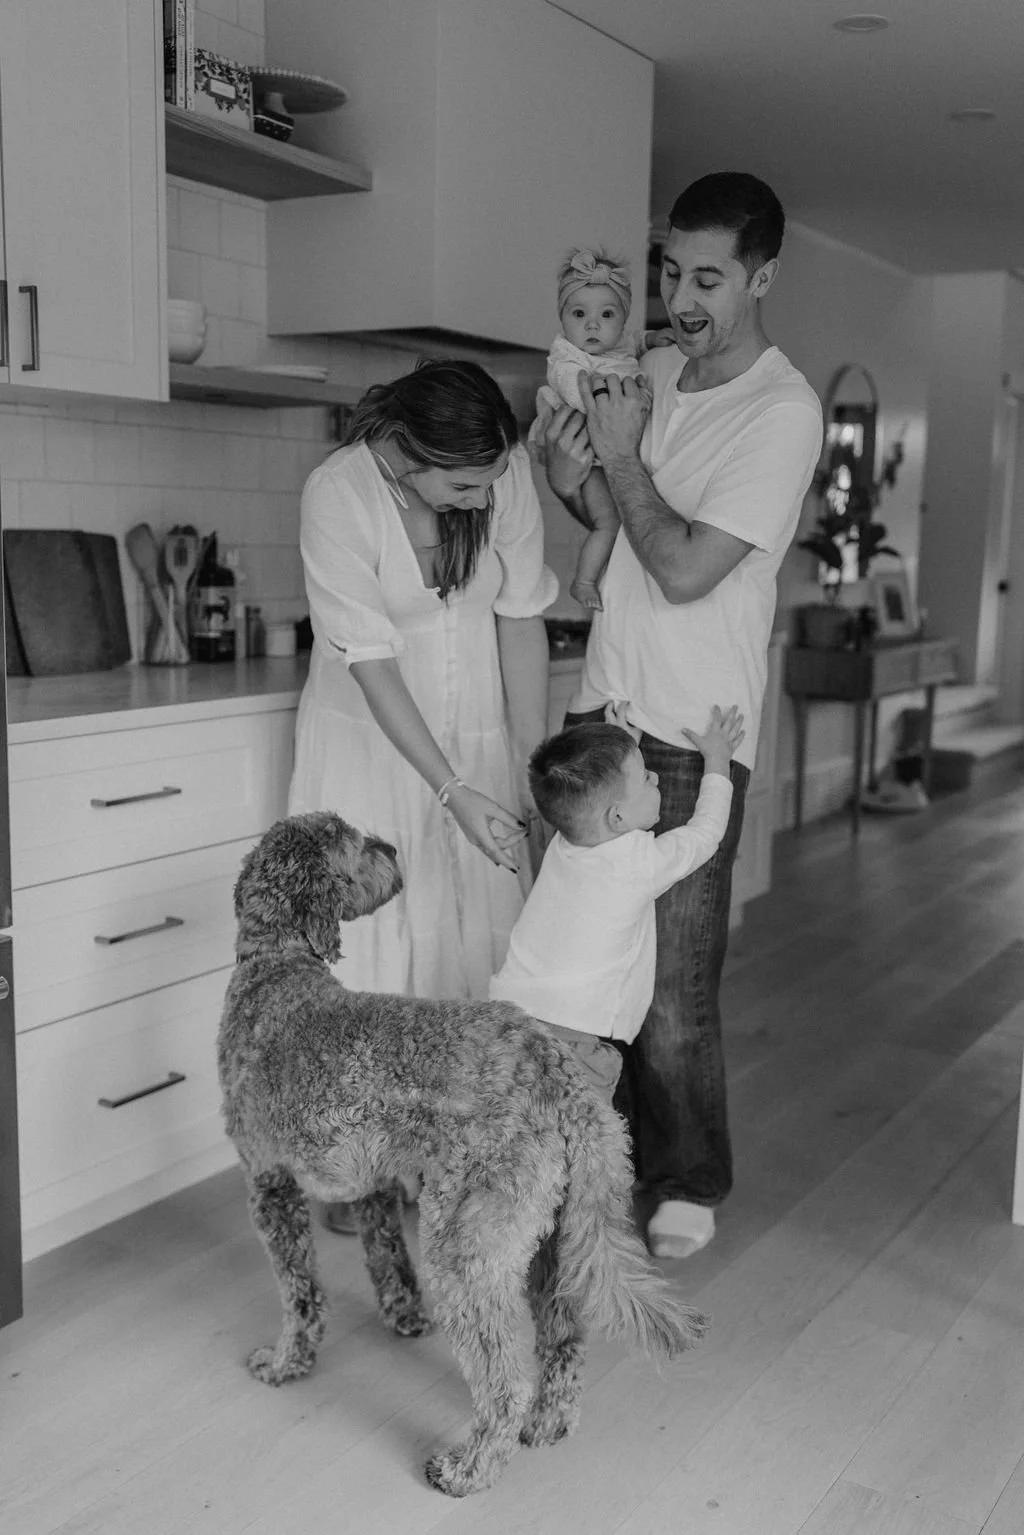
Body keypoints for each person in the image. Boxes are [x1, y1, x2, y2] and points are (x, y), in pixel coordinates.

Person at [538, 172, 823, 1259]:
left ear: (763, 275)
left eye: (707, 276)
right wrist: (576, 476)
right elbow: (606, 511)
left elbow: (690, 567)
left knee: (675, 981)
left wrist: (614, 456)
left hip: (691, 728)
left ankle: (689, 1172)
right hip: (599, 705)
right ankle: (590, 1160)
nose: (681, 296)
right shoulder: (647, 367)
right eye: (670, 271)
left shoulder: (783, 410)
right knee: (583, 954)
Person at [289, 359, 557, 1232]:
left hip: (475, 728)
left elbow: (519, 616)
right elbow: (368, 660)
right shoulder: (338, 494)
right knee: (375, 945)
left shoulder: (502, 473)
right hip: (374, 744)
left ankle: (459, 1152)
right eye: (463, 484)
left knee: (474, 930)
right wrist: (448, 788)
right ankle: (355, 1171)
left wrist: (523, 760)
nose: (481, 499)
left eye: (489, 480)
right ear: (407, 453)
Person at [489, 704, 743, 1108]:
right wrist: (717, 760)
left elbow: (598, 798)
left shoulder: (566, 841)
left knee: (517, 1134)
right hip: (573, 1046)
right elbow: (707, 832)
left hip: (505, 1026)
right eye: (646, 777)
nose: (656, 777)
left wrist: (624, 745)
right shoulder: (639, 864)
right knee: (580, 1148)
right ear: (618, 815)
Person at [528, 248, 670, 611]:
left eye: (607, 315)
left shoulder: (621, 344)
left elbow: (634, 342)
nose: (592, 325)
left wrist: (651, 341)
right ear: (562, 319)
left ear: (621, 321)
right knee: (607, 524)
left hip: (607, 454)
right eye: (579, 314)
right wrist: (629, 400)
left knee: (627, 522)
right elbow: (579, 394)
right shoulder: (567, 358)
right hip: (588, 453)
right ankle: (584, 580)